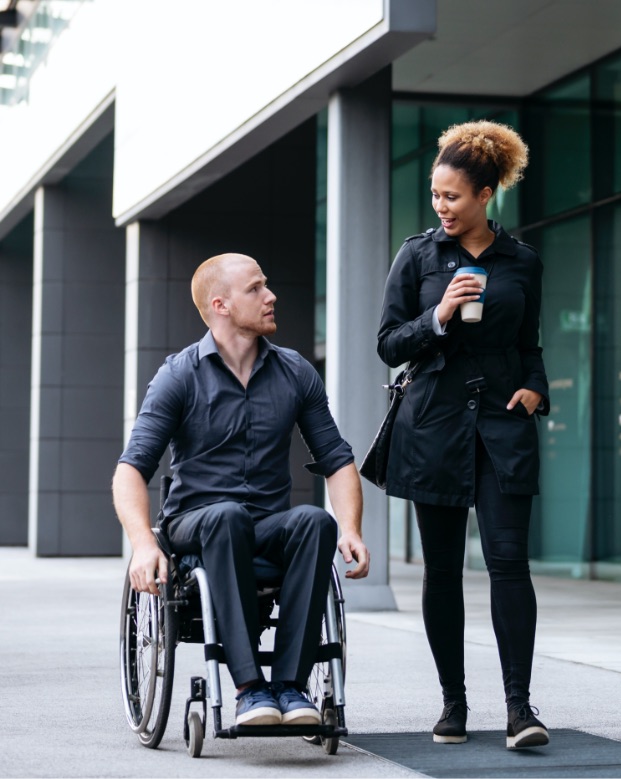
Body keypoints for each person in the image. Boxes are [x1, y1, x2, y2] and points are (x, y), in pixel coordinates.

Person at [113, 252, 369, 728]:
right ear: (221, 305)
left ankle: (290, 689)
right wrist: (142, 544)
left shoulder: (295, 373)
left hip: (267, 524)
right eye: (255, 289)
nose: (271, 296)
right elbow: (131, 469)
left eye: (266, 285)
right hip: (196, 524)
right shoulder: (179, 375)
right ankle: (250, 689)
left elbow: (336, 459)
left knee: (316, 521)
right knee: (226, 515)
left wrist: (350, 528)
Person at [376, 121, 550, 750]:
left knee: (510, 564)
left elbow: (529, 344)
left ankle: (520, 709)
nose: (440, 207)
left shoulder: (522, 261)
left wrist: (536, 387)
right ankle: (453, 704)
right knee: (441, 571)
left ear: (484, 194)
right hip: (434, 429)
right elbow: (388, 343)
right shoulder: (418, 256)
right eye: (435, 195)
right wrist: (439, 314)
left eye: (452, 196)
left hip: (504, 427)